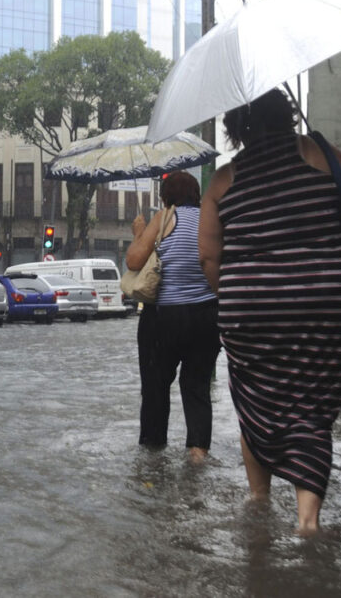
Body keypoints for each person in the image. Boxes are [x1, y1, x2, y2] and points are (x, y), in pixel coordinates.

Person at [198, 88, 341, 535]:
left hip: (250, 312)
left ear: (236, 128)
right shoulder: (316, 153)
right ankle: (307, 520)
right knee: (311, 407)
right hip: (323, 305)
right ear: (287, 115)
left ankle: (259, 500)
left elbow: (208, 259)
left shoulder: (223, 180)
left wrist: (242, 300)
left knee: (256, 399)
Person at [125, 171, 221, 464]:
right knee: (198, 386)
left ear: (165, 196)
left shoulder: (164, 218)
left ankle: (153, 457)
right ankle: (197, 453)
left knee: (155, 387)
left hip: (165, 317)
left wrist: (140, 233)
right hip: (207, 316)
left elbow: (133, 261)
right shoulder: (211, 219)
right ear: (196, 194)